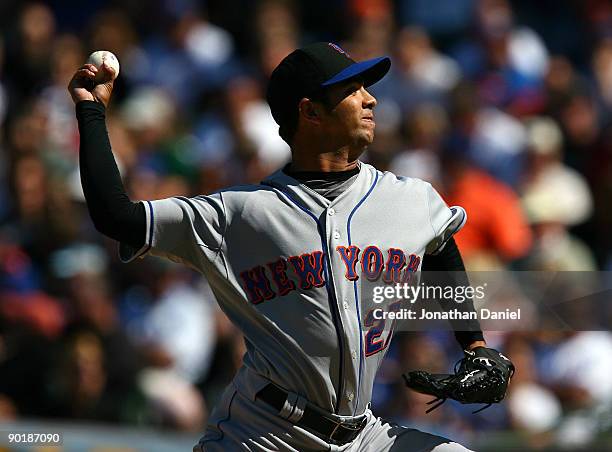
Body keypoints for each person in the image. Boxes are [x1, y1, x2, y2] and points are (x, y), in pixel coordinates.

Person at [68, 42, 493, 451]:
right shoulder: (238, 214)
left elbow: (440, 244)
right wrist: (91, 110)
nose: (371, 101)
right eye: (352, 91)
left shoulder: (409, 199)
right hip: (262, 433)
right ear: (310, 112)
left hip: (364, 435)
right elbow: (115, 217)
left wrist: (474, 346)